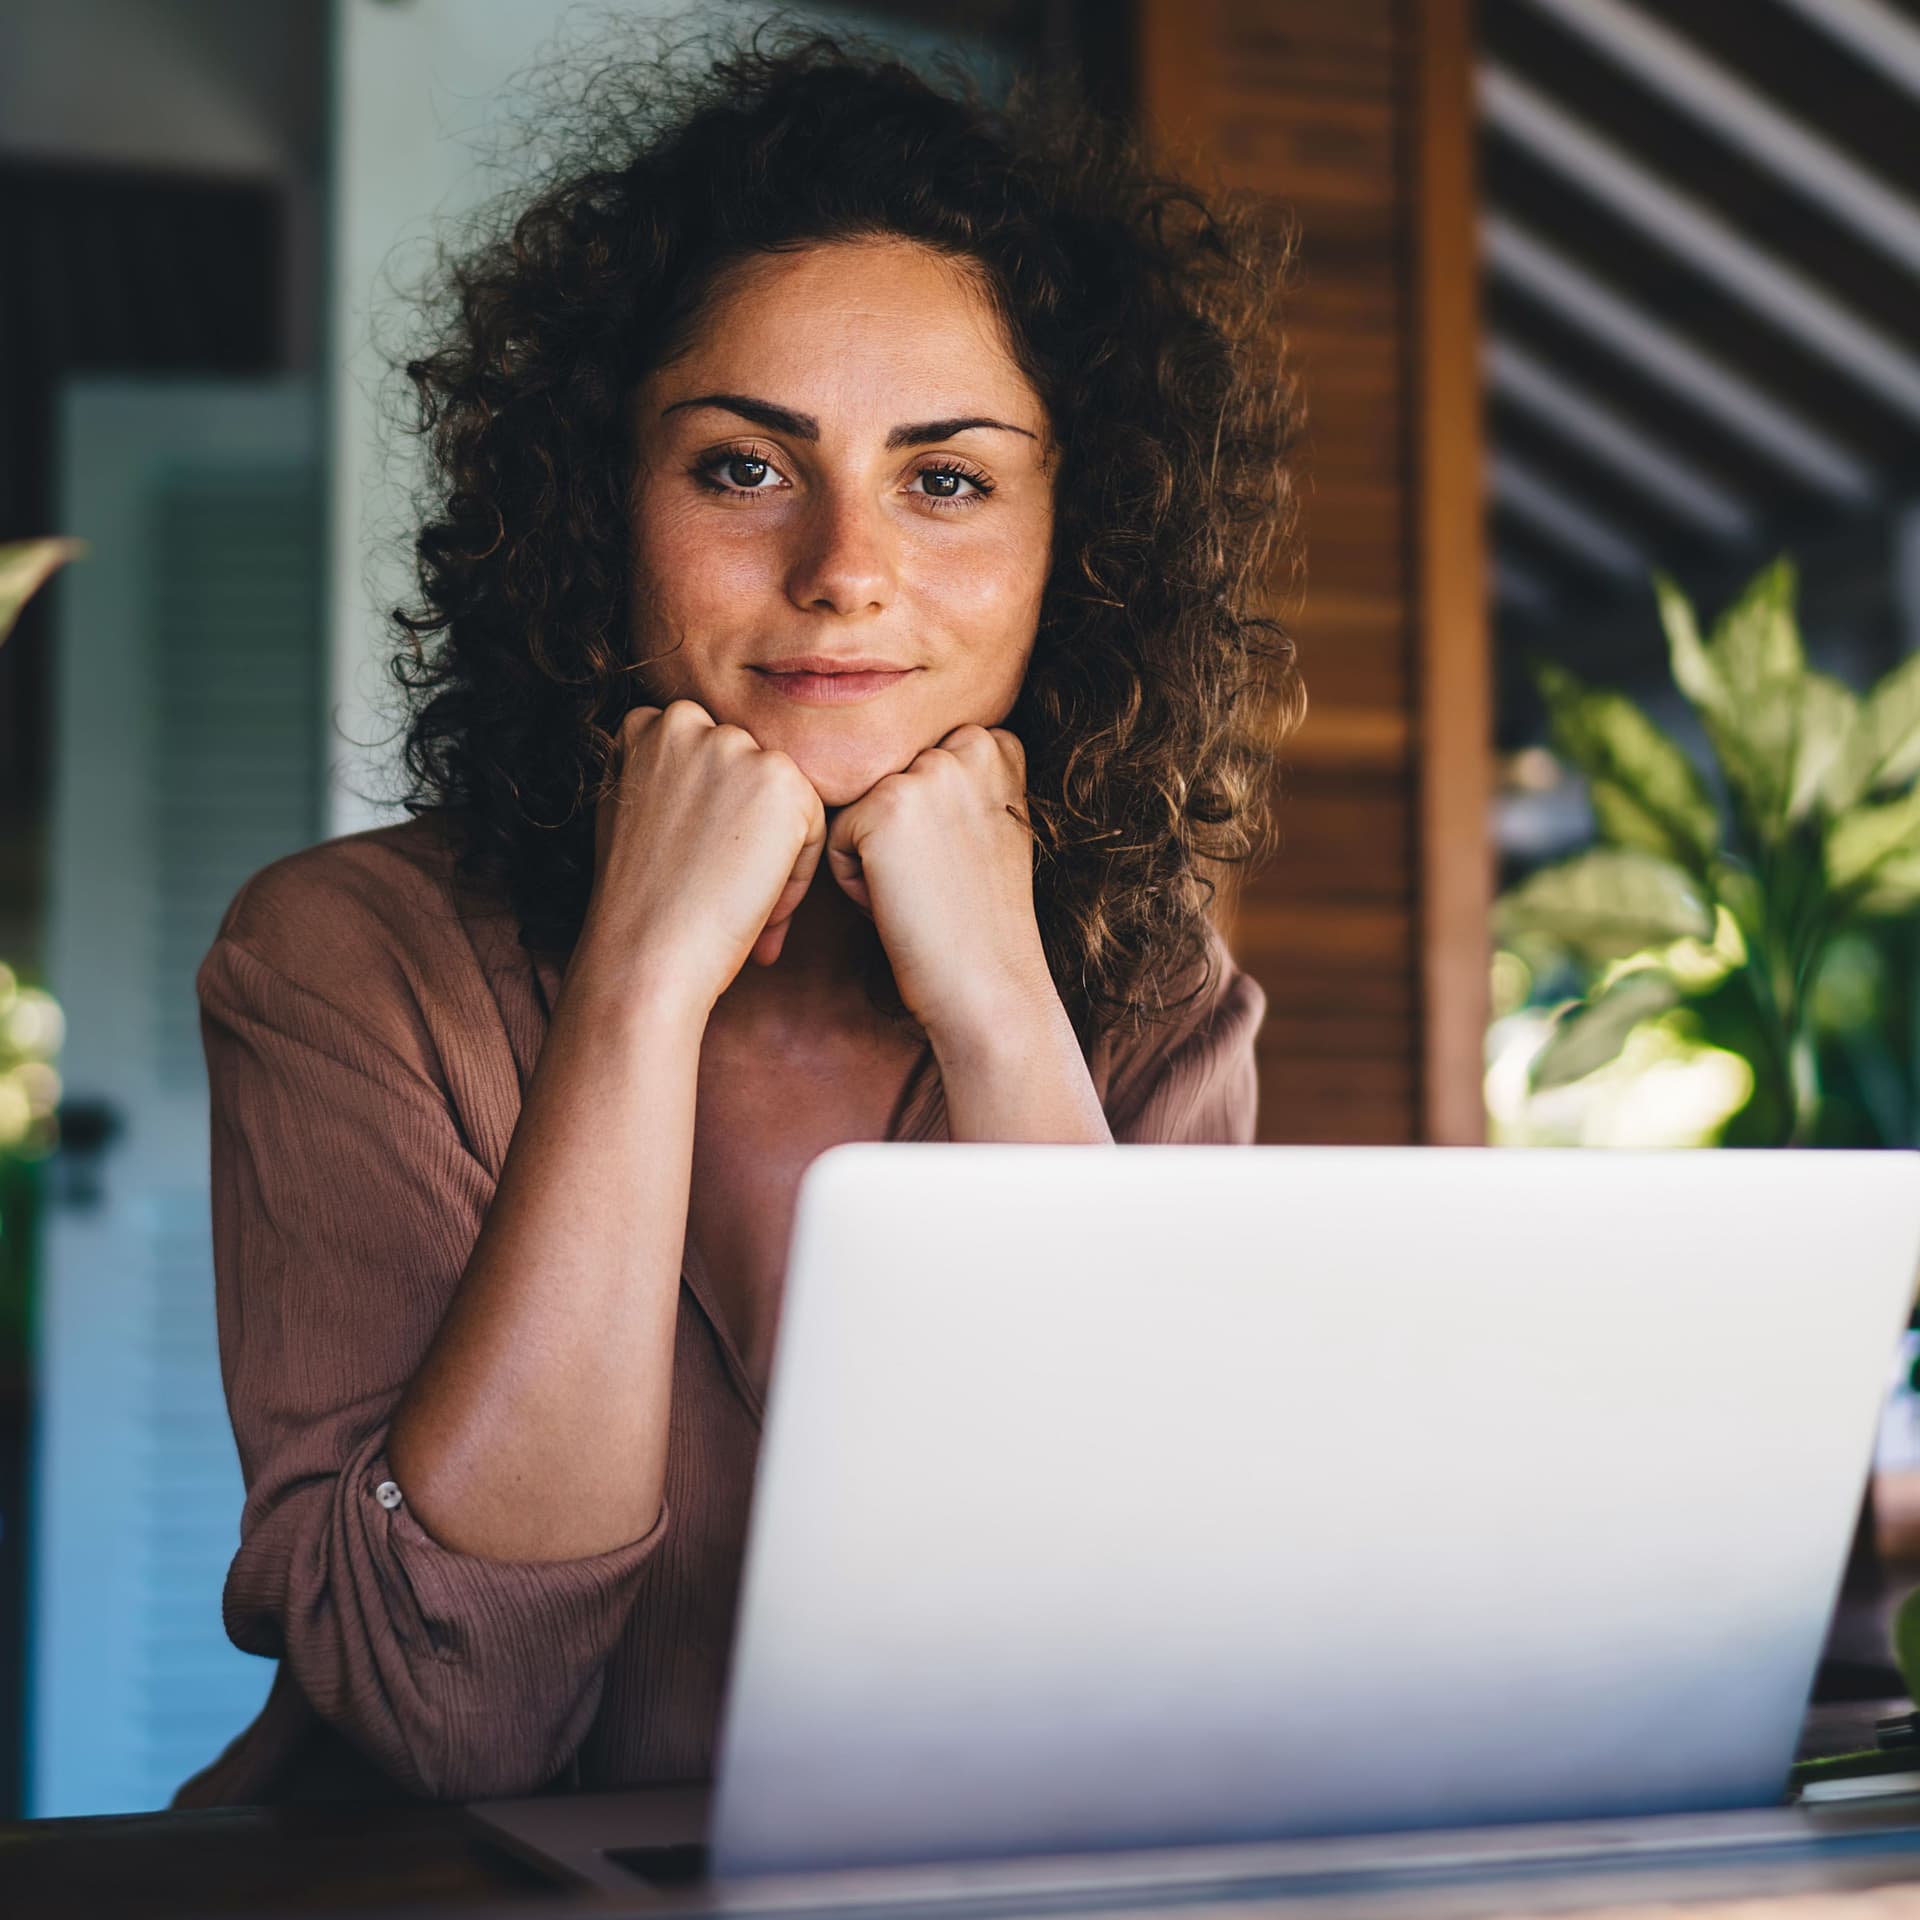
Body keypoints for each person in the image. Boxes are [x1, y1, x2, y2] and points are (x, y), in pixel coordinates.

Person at [171, 22, 1304, 1808]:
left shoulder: (1155, 1002)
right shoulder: (342, 960)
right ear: (593, 519)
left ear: (1068, 554)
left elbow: (1163, 1655)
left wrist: (1005, 1013)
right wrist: (635, 985)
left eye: (948, 479)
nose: (847, 565)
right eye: (742, 467)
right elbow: (454, 1721)